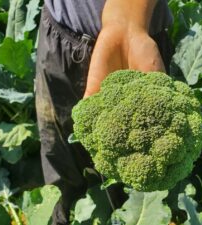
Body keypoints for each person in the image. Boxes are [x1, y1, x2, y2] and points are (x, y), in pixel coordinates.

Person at [35, 1, 173, 224]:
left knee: (131, 190)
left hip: (136, 47)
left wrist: (127, 21)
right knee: (58, 155)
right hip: (58, 34)